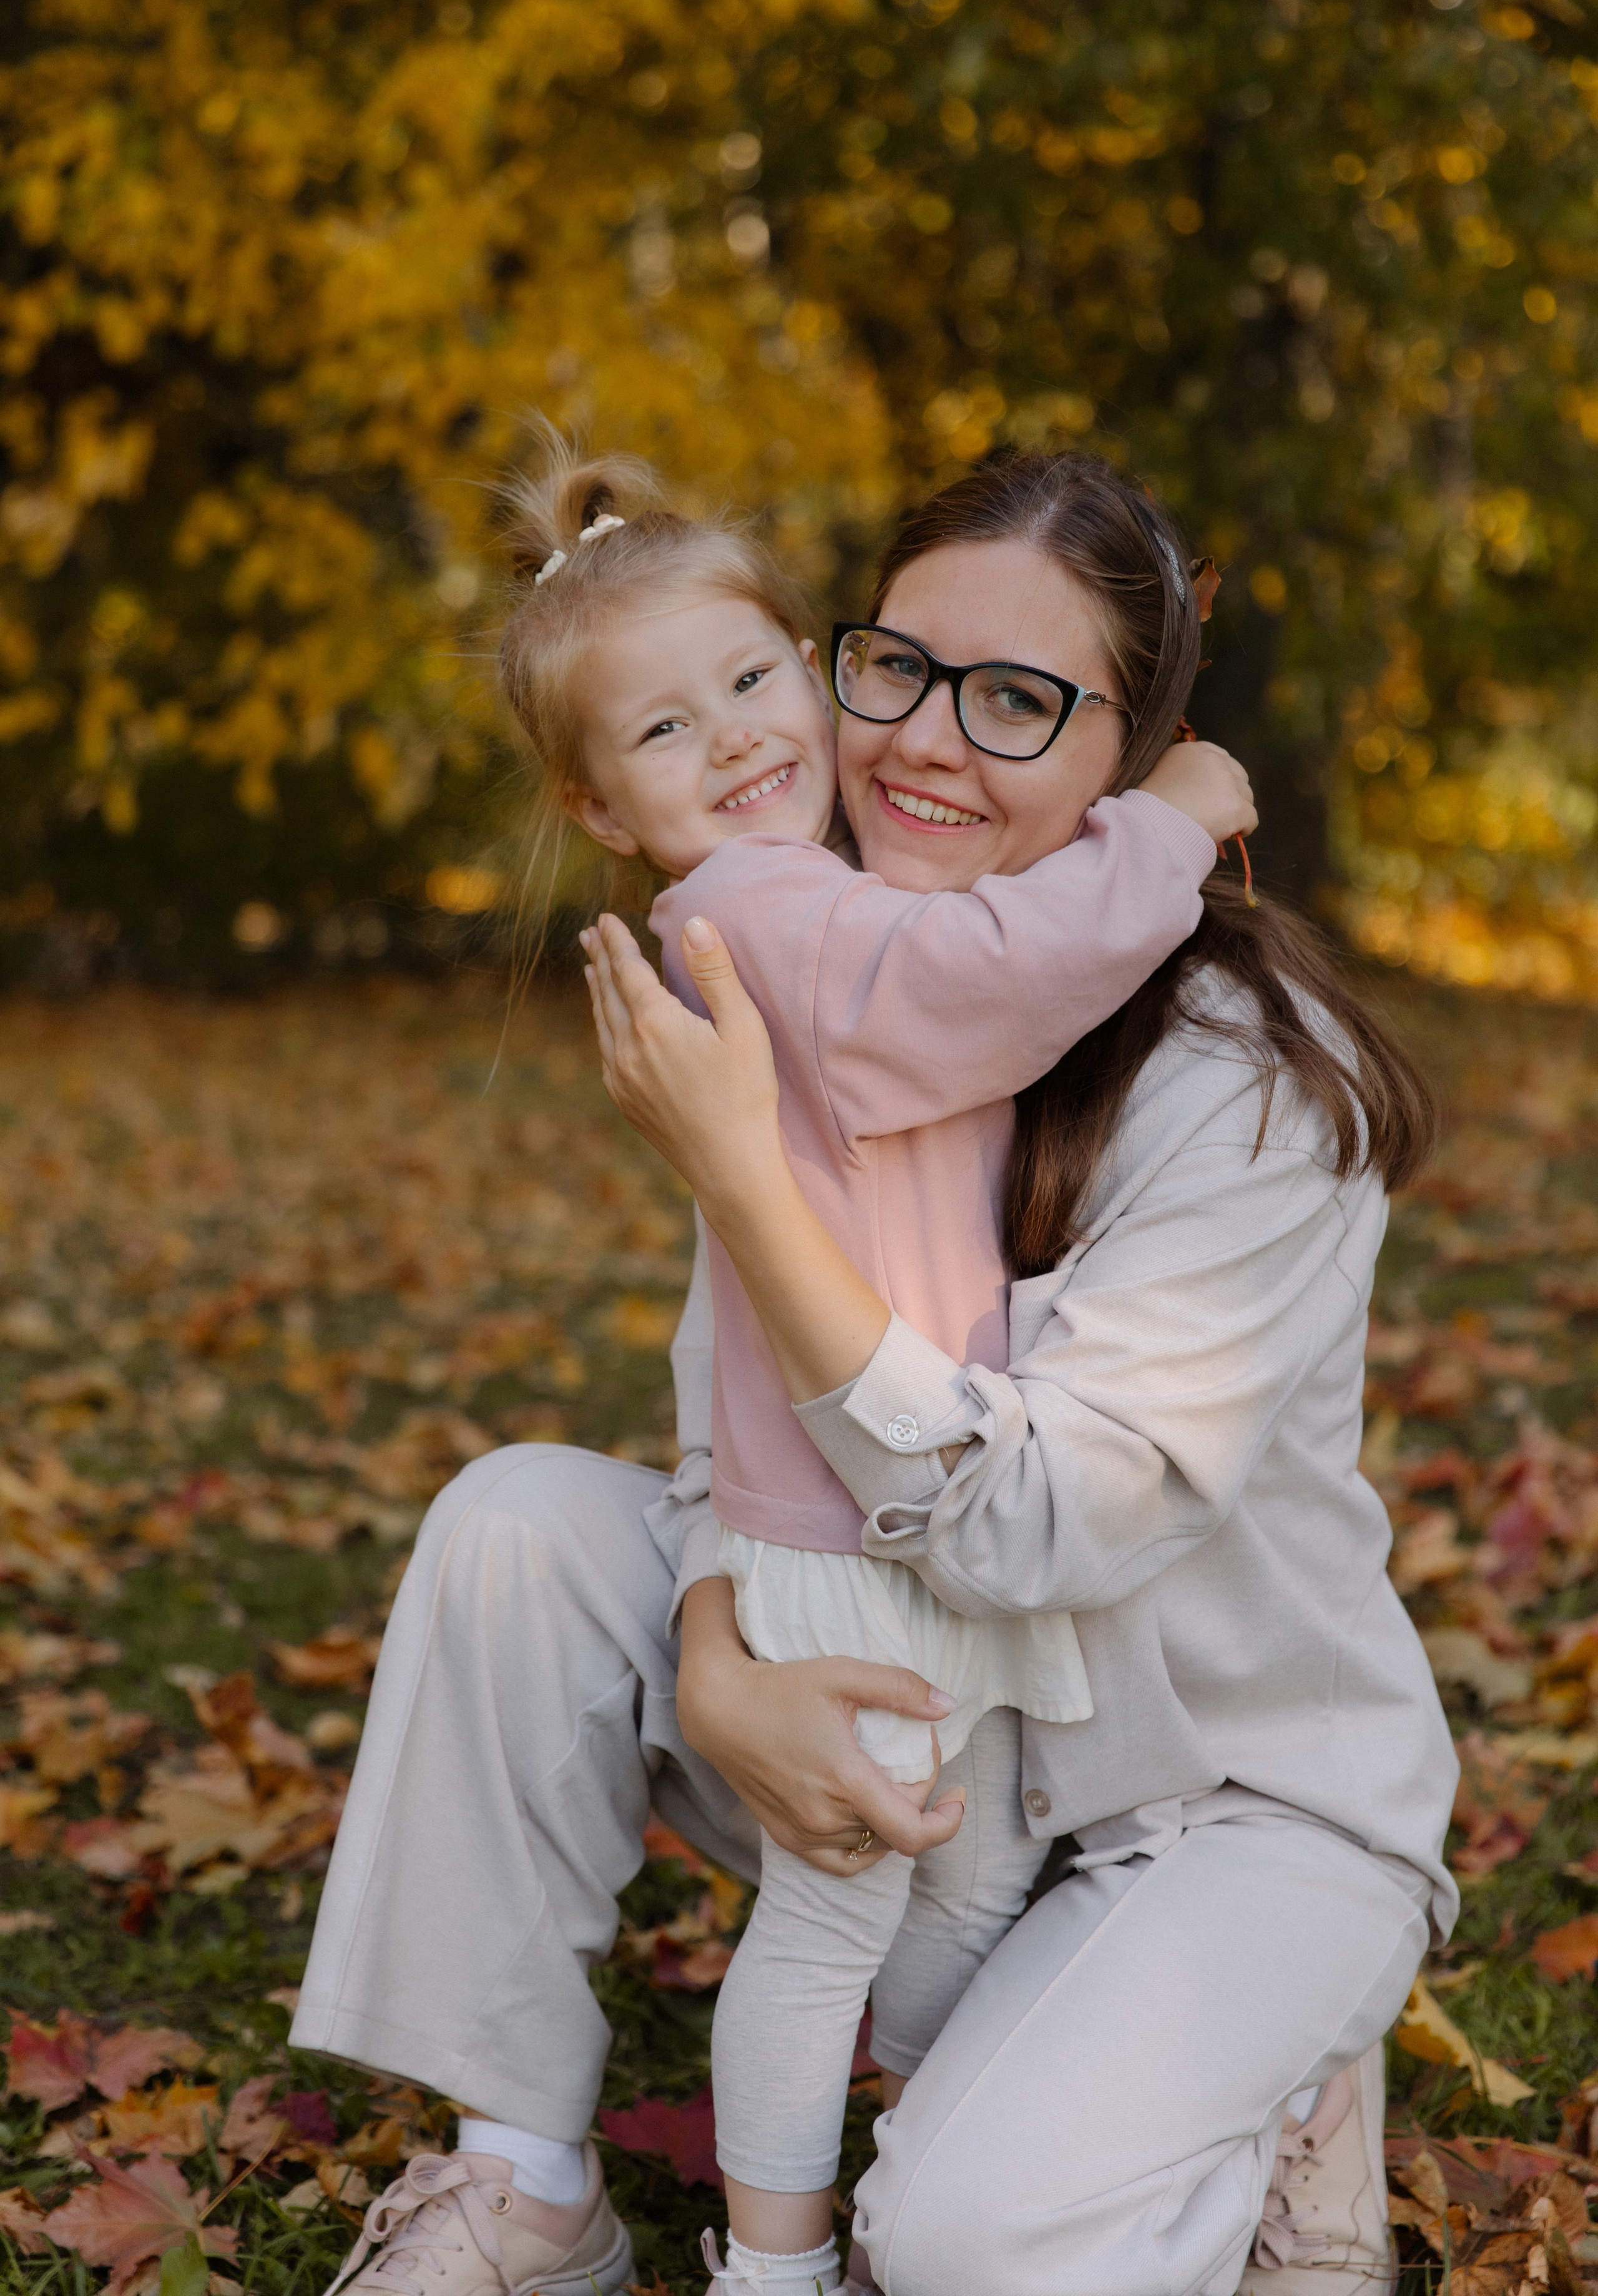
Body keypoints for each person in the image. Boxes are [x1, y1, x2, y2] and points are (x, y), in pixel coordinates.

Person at [297, 447, 1456, 2296]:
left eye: (1017, 700)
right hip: (928, 1725)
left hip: (1206, 1793)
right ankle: (521, 2181)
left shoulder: (1246, 1080)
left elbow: (1057, 1524)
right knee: (512, 1530)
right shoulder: (815, 972)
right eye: (893, 667)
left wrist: (745, 1179)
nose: (925, 739)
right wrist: (710, 1644)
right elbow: (732, 1423)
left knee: (966, 2246)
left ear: (1130, 752)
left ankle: (1275, 2090)